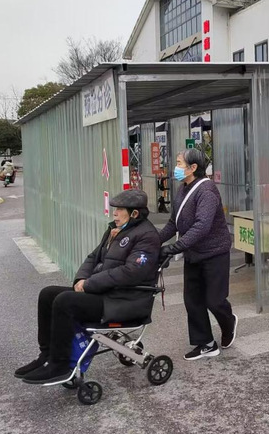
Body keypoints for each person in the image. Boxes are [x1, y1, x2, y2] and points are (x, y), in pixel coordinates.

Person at [14, 189, 161, 384]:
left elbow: (131, 272)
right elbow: (93, 257)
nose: (114, 213)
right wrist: (81, 279)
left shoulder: (147, 236)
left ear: (134, 213)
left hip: (125, 301)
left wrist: (90, 284)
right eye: (114, 209)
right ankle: (46, 356)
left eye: (119, 210)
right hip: (106, 293)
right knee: (48, 294)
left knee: (64, 301)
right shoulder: (116, 230)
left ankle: (60, 365)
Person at [159, 148, 237, 361]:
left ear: (193, 167)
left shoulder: (206, 190)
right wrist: (154, 241)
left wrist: (174, 247)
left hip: (214, 253)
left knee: (214, 300)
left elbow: (202, 226)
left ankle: (229, 322)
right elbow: (173, 223)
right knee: (192, 300)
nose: (175, 168)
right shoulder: (183, 189)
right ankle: (206, 343)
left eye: (179, 163)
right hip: (193, 253)